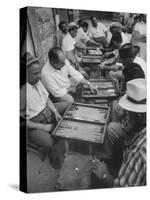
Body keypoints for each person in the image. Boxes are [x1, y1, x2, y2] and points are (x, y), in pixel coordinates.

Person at [20, 52, 69, 167]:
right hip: (34, 123)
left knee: (67, 105)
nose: (40, 76)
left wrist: (55, 112)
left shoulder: (36, 81)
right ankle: (53, 156)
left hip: (47, 111)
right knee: (49, 142)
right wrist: (42, 127)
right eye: (35, 74)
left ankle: (61, 129)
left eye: (39, 72)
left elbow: (47, 99)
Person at [104, 78, 146, 160]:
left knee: (111, 127)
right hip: (138, 132)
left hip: (136, 137)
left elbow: (129, 128)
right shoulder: (143, 100)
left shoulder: (136, 113)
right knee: (116, 106)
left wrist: (124, 117)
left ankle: (110, 155)